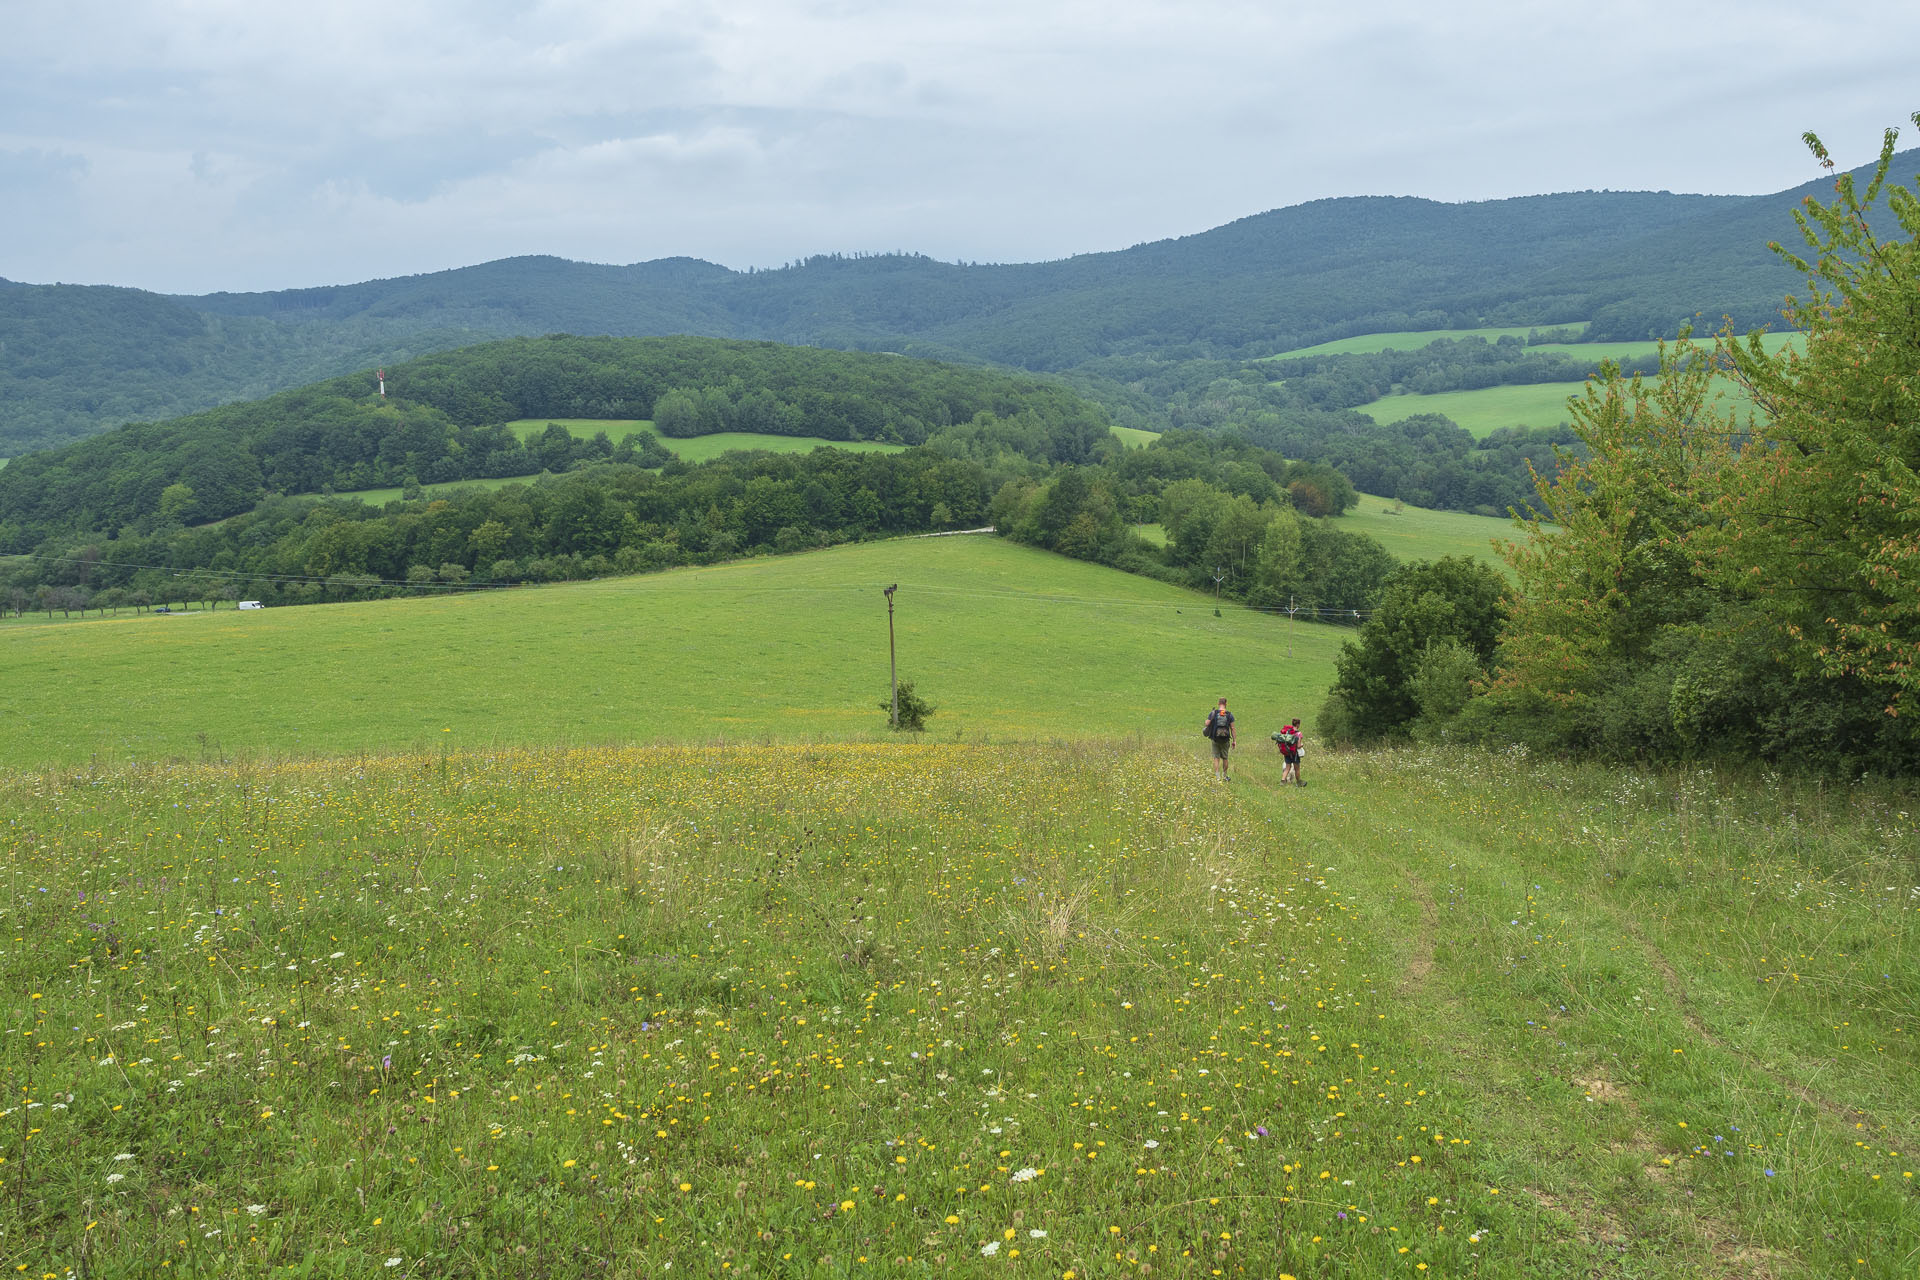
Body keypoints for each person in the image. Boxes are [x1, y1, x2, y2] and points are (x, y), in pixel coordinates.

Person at [1204, 697, 1236, 782]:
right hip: (1225, 740)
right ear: (1226, 704)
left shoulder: (1213, 713)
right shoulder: (1229, 715)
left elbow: (1206, 724)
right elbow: (1232, 728)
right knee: (1225, 758)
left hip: (1215, 739)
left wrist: (1208, 720)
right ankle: (1224, 776)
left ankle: (1217, 777)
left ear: (1218, 704)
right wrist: (1234, 741)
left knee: (1216, 758)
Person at [1273, 718, 1303, 786]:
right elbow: (1298, 746)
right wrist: (1302, 745)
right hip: (1294, 753)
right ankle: (1299, 783)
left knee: (1287, 768)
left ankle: (1282, 781)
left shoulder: (1287, 732)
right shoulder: (1298, 733)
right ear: (1298, 724)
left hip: (1287, 752)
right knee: (1297, 769)